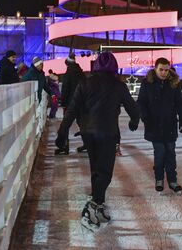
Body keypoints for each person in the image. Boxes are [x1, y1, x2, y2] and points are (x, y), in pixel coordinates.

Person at [55, 52, 140, 231]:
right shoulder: (118, 86)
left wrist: (63, 131)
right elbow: (133, 108)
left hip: (88, 132)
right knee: (105, 171)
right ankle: (93, 205)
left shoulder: (85, 83)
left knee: (96, 169)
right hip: (107, 133)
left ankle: (99, 203)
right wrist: (134, 120)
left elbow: (72, 109)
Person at [137, 57, 182, 194]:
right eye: (161, 70)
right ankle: (159, 178)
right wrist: (145, 117)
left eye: (166, 70)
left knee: (170, 152)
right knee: (160, 153)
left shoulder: (174, 83)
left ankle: (172, 180)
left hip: (170, 124)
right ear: (155, 68)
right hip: (154, 125)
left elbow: (180, 104)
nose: (164, 73)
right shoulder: (147, 83)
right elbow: (141, 102)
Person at [61, 53, 87, 152]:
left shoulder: (68, 73)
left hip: (71, 103)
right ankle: (87, 144)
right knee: (83, 123)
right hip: (82, 101)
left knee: (66, 123)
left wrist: (63, 103)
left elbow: (65, 88)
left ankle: (64, 145)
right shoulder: (81, 72)